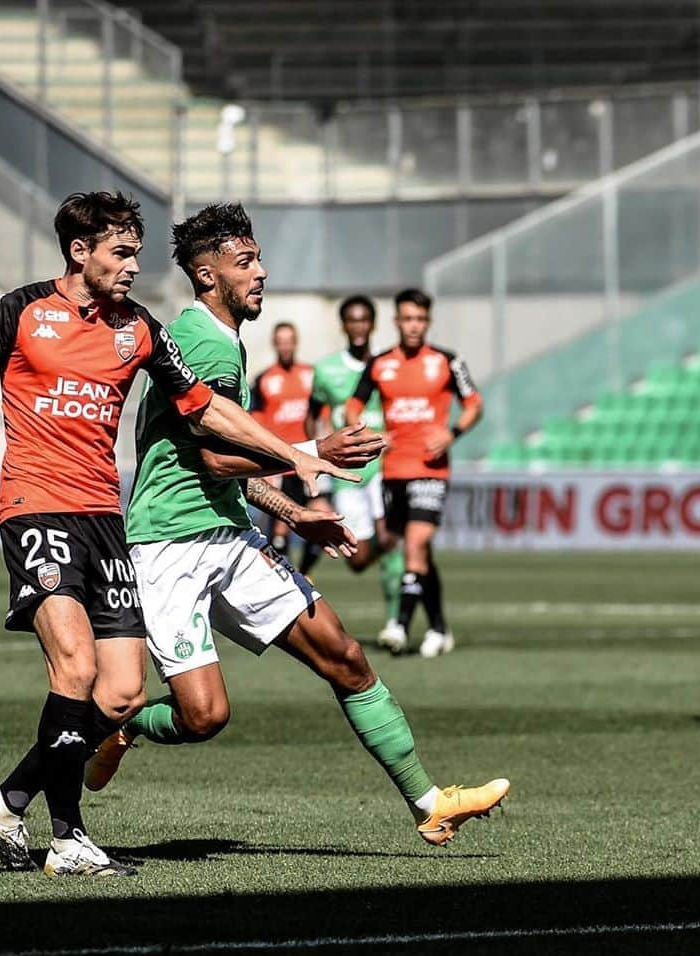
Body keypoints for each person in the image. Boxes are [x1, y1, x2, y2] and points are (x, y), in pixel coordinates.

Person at [85, 204, 510, 847]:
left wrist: (292, 512)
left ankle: (431, 802)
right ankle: (124, 728)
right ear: (207, 274)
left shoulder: (220, 338)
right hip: (168, 545)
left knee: (344, 655)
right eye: (245, 262)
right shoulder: (202, 342)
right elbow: (212, 455)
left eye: (259, 259)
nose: (261, 273)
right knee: (204, 717)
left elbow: (222, 470)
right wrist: (313, 453)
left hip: (227, 536)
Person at [0, 191, 345, 877]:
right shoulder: (21, 310)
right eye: (121, 253)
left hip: (106, 516)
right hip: (36, 504)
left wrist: (296, 453)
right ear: (81, 252)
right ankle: (68, 839)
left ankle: (7, 805)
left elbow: (209, 410)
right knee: (75, 667)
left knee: (124, 694)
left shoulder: (139, 330)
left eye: (136, 252)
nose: (134, 266)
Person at [346, 288, 482, 658]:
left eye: (420, 319)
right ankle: (438, 628)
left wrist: (451, 433)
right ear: (397, 322)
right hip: (393, 471)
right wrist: (370, 434)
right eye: (407, 319)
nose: (413, 326)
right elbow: (352, 407)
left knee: (416, 544)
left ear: (428, 322)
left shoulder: (447, 362)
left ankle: (399, 626)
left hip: (431, 470)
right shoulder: (380, 364)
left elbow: (474, 403)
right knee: (417, 554)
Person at [308, 295, 405, 644]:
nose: (359, 326)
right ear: (344, 326)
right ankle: (388, 542)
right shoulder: (326, 370)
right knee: (359, 559)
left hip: (387, 467)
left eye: (365, 320)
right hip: (349, 472)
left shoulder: (389, 365)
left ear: (373, 325)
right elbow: (313, 413)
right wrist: (313, 456)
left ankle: (396, 623)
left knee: (392, 540)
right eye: (353, 320)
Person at [249, 321, 318, 573]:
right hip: (280, 464)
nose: (286, 345)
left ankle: (304, 574)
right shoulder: (264, 380)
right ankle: (288, 579)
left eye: (290, 340)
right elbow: (256, 425)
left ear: (296, 342)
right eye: (281, 340)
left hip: (308, 461)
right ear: (275, 344)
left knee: (324, 517)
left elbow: (321, 414)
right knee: (280, 530)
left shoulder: (311, 375)